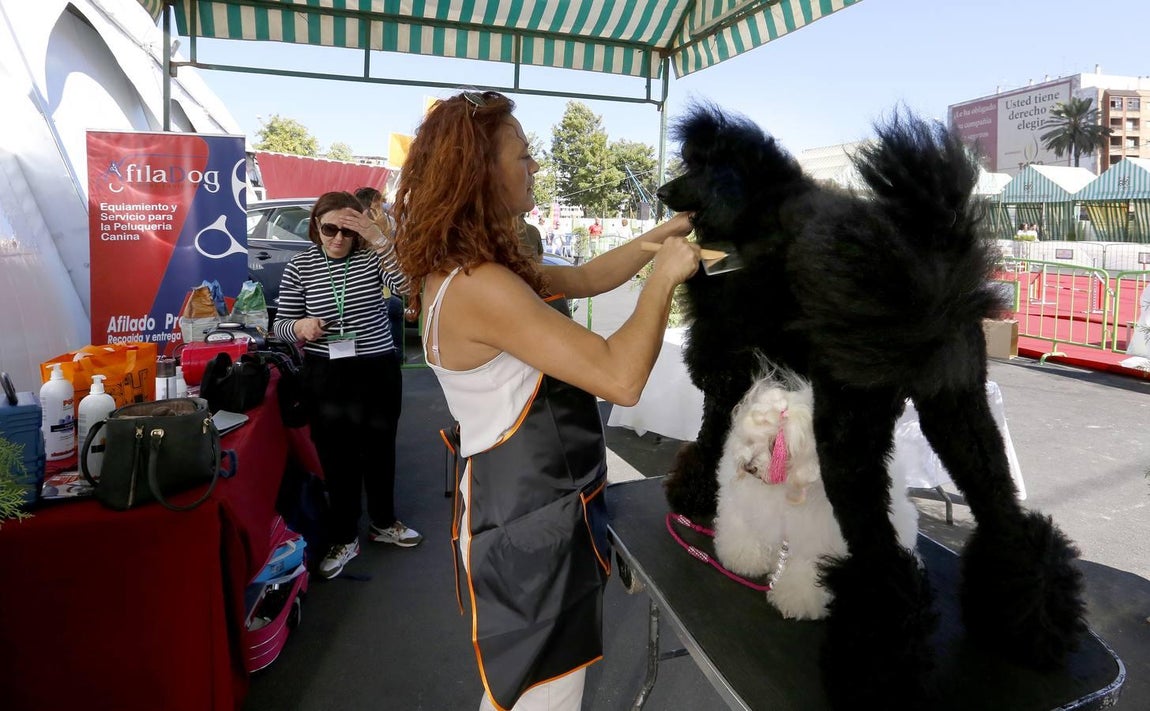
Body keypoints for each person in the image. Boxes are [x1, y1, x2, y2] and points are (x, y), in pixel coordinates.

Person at [393, 90, 698, 711]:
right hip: (527, 519)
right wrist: (664, 278)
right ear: (480, 172)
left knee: (534, 683)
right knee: (542, 691)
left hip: (539, 503)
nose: (535, 167)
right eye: (523, 156)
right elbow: (619, 377)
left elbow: (586, 278)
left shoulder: (475, 268)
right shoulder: (482, 285)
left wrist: (661, 237)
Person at [273, 191, 422, 581]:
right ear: (316, 227)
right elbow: (281, 324)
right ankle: (344, 536)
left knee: (379, 448)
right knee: (337, 456)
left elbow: (408, 285)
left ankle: (383, 521)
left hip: (376, 366)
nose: (338, 238)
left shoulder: (371, 257)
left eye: (347, 230)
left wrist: (377, 237)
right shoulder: (299, 266)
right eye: (329, 229)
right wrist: (299, 327)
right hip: (326, 372)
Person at [357, 186, 406, 354]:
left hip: (388, 287)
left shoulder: (388, 222)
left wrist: (385, 231)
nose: (383, 208)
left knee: (395, 306)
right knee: (393, 307)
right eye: (378, 205)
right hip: (377, 293)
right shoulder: (359, 228)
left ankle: (396, 354)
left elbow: (400, 254)